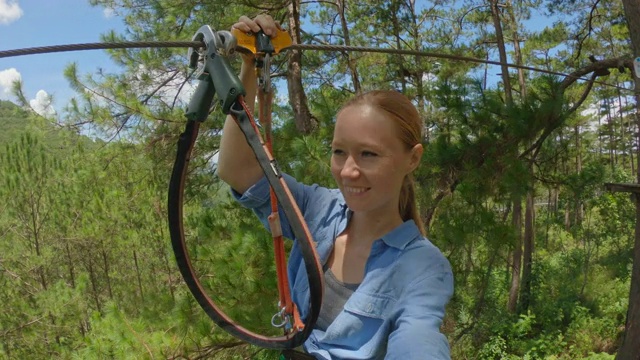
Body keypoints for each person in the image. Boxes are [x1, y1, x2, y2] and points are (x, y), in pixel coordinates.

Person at [217, 14, 454, 360]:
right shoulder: (317, 210)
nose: (348, 171)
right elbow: (238, 170)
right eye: (339, 152)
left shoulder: (423, 266)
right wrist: (251, 66)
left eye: (369, 154)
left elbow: (419, 340)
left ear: (412, 159)